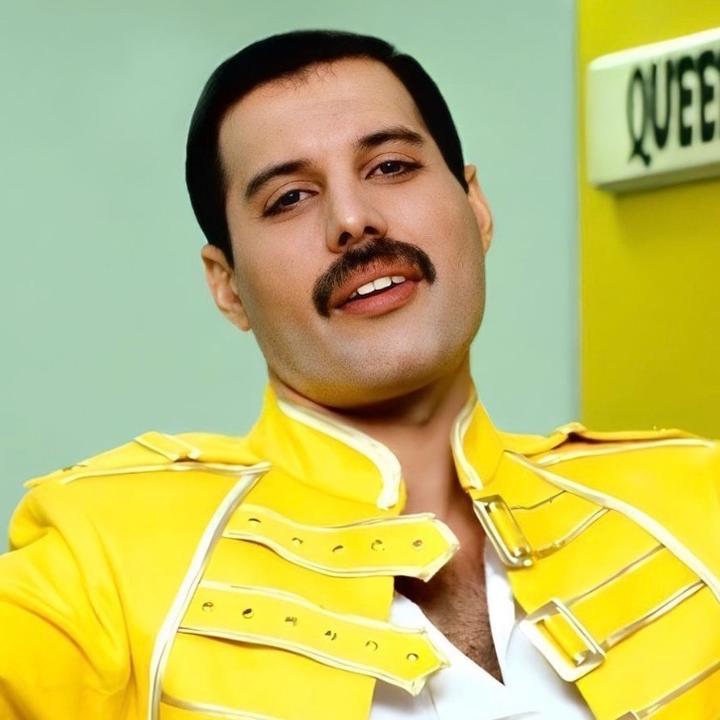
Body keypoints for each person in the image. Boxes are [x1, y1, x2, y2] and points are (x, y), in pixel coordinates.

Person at [1, 29, 719, 720]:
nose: (353, 220)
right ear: (227, 285)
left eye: (391, 167)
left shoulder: (693, 501)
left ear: (476, 207)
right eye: (289, 198)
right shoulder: (102, 558)